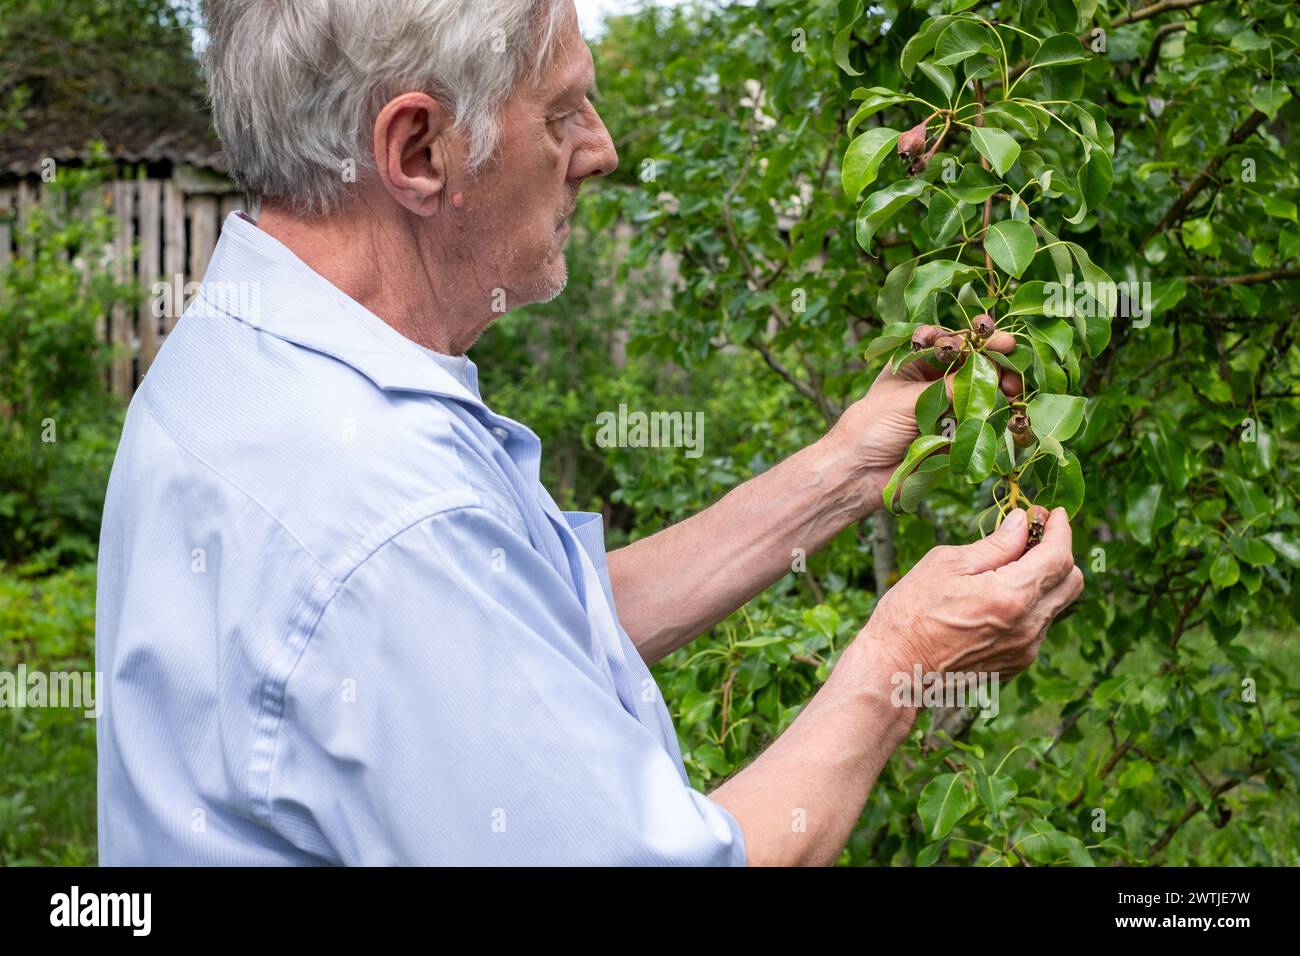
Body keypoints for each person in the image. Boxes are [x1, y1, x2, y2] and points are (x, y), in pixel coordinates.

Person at [95, 0, 1083, 866]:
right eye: (563, 111)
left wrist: (847, 466)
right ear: (418, 152)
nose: (601, 150)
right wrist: (903, 654)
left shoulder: (254, 353)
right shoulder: (387, 521)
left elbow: (522, 625)